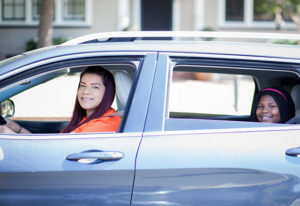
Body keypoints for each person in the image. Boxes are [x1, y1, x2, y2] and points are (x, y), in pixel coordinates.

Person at [0, 66, 121, 134]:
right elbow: (51, 147)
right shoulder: (90, 119)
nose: (85, 91)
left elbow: (52, 155)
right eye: (83, 85)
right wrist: (16, 128)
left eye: (95, 87)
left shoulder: (106, 123)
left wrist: (9, 133)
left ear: (107, 92)